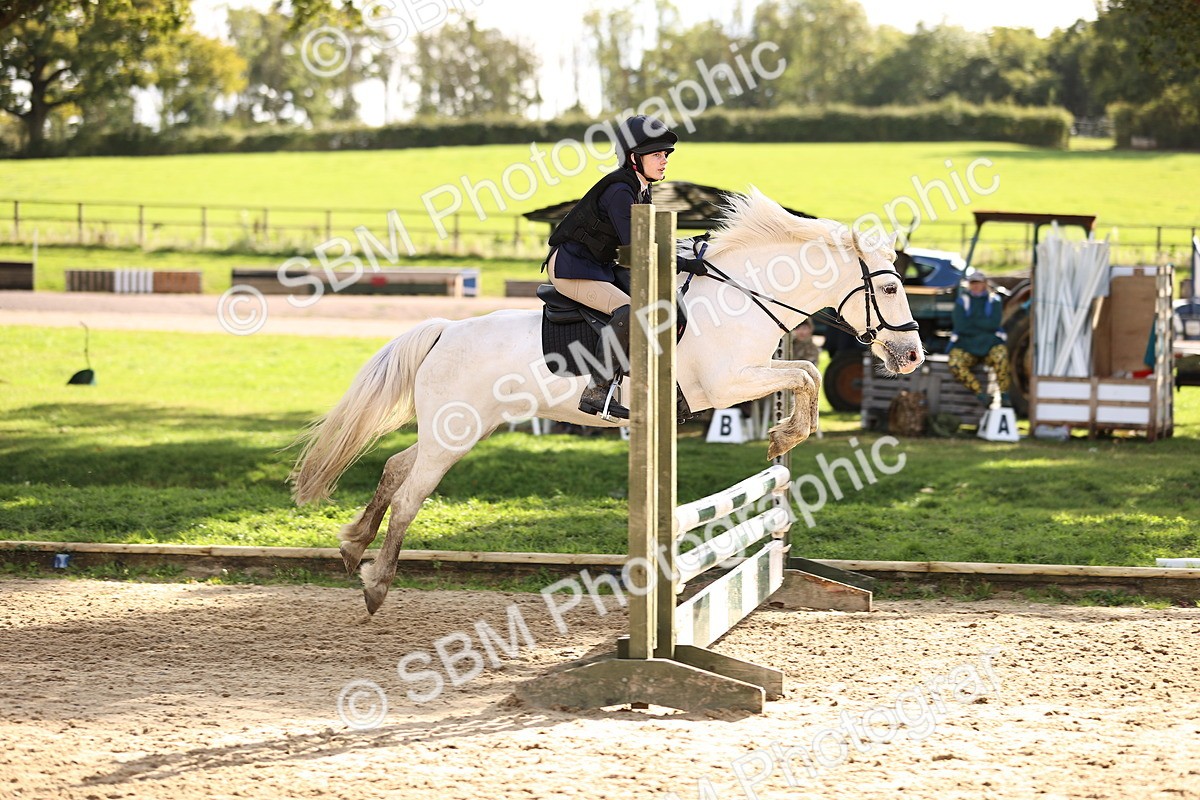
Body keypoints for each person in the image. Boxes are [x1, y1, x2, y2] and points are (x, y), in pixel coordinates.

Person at [543, 114, 708, 420]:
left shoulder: (641, 187)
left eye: (665, 154)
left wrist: (690, 245)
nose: (663, 161)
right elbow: (639, 246)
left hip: (598, 265)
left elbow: (651, 237)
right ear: (634, 158)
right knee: (630, 312)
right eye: (656, 154)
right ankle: (597, 389)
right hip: (572, 267)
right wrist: (684, 263)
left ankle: (667, 388)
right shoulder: (620, 191)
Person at [947, 272, 1012, 407]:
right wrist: (983, 325)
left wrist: (971, 322)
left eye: (978, 283)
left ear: (985, 284)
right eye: (973, 283)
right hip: (967, 346)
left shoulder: (994, 301)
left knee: (1001, 354)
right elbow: (960, 325)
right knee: (954, 361)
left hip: (989, 346)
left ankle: (1004, 395)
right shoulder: (962, 301)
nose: (976, 286)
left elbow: (994, 324)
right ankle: (981, 394)